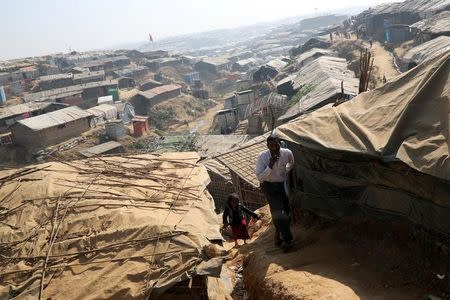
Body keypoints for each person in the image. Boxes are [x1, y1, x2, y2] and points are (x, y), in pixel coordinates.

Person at [256, 135, 294, 251]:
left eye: (276, 145)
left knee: (286, 211)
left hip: (281, 185)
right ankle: (286, 240)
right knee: (279, 211)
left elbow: (292, 163)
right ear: (267, 146)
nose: (274, 148)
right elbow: (260, 178)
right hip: (268, 186)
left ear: (280, 144)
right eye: (271, 146)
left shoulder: (286, 153)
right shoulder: (263, 157)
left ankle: (278, 234)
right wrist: (270, 166)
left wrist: (285, 172)